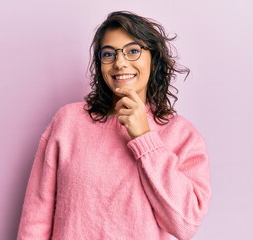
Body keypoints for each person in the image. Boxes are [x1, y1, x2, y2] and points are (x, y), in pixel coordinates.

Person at [17, 11, 211, 240]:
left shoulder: (182, 136)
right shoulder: (68, 122)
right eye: (108, 54)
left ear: (153, 58)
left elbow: (186, 224)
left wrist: (145, 138)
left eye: (133, 51)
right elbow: (37, 216)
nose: (120, 63)